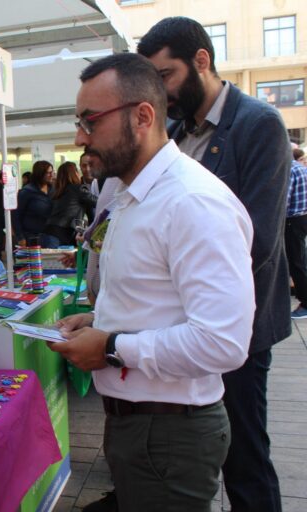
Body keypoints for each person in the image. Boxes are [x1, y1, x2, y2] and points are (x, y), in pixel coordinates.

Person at [51, 53, 255, 512]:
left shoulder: (192, 202)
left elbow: (223, 342)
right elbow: (154, 297)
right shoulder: (132, 194)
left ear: (142, 116)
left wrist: (111, 346)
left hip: (169, 433)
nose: (80, 137)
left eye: (90, 121)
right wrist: (99, 320)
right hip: (144, 428)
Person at [138, 18, 291, 512]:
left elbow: (258, 239)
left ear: (201, 60)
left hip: (234, 327)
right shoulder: (174, 131)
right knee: (191, 451)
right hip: (179, 326)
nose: (160, 91)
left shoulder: (258, 123)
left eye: (166, 75)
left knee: (245, 455)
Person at [47, 161, 97, 246]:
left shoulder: (56, 191)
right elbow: (98, 202)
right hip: (63, 234)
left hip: (48, 233)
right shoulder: (79, 189)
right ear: (75, 173)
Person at [12, 160, 56, 248]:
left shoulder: (54, 189)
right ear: (40, 174)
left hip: (51, 237)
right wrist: (20, 237)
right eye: (48, 173)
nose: (52, 175)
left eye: (52, 172)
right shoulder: (27, 191)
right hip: (31, 237)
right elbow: (16, 215)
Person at [286, 152, 307, 318]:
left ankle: (305, 303)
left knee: (296, 262)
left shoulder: (289, 170)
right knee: (299, 260)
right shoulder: (301, 168)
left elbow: (283, 201)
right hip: (302, 218)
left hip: (291, 220)